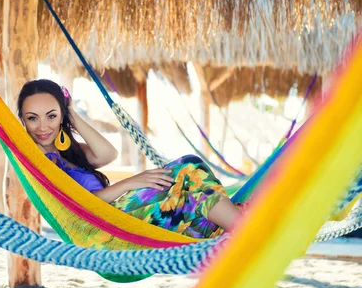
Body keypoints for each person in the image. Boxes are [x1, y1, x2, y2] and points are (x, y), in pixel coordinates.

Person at [17, 79, 244, 239]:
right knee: (189, 166)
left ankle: (230, 229)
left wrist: (71, 115)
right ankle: (244, 230)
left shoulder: (63, 152)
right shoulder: (38, 162)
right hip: (105, 229)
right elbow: (80, 206)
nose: (43, 127)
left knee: (194, 201)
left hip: (120, 218)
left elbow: (107, 154)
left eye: (51, 116)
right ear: (22, 120)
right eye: (32, 118)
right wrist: (133, 182)